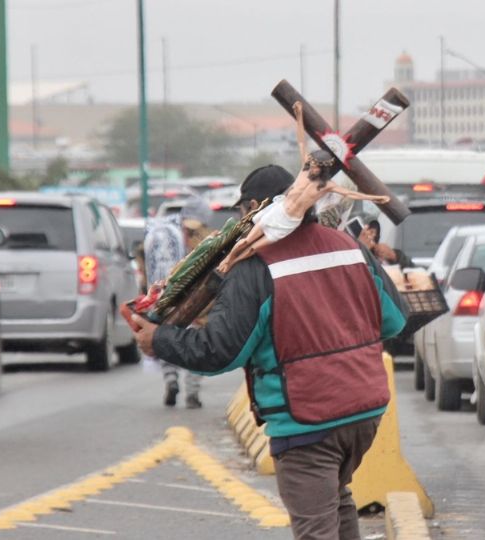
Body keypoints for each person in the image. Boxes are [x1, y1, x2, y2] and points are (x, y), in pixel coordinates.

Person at [132, 164, 408, 540]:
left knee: (315, 527)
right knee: (335, 501)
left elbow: (220, 351)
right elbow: (393, 322)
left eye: (243, 211)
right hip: (364, 413)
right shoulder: (350, 248)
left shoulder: (255, 268)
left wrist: (159, 340)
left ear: (256, 208)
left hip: (307, 419)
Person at [217, 101, 389, 273]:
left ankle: (230, 262)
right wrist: (299, 116)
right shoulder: (303, 174)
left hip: (289, 220)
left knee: (253, 247)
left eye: (317, 165)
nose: (313, 167)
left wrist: (375, 198)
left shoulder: (325, 186)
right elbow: (301, 141)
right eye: (312, 163)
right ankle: (228, 262)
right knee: (247, 242)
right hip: (278, 211)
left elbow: (349, 193)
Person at [142, 197, 213, 409]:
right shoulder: (204, 237)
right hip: (195, 304)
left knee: (166, 340)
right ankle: (192, 392)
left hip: (165, 300)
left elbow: (145, 263)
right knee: (196, 344)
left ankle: (171, 380)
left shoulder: (162, 234)